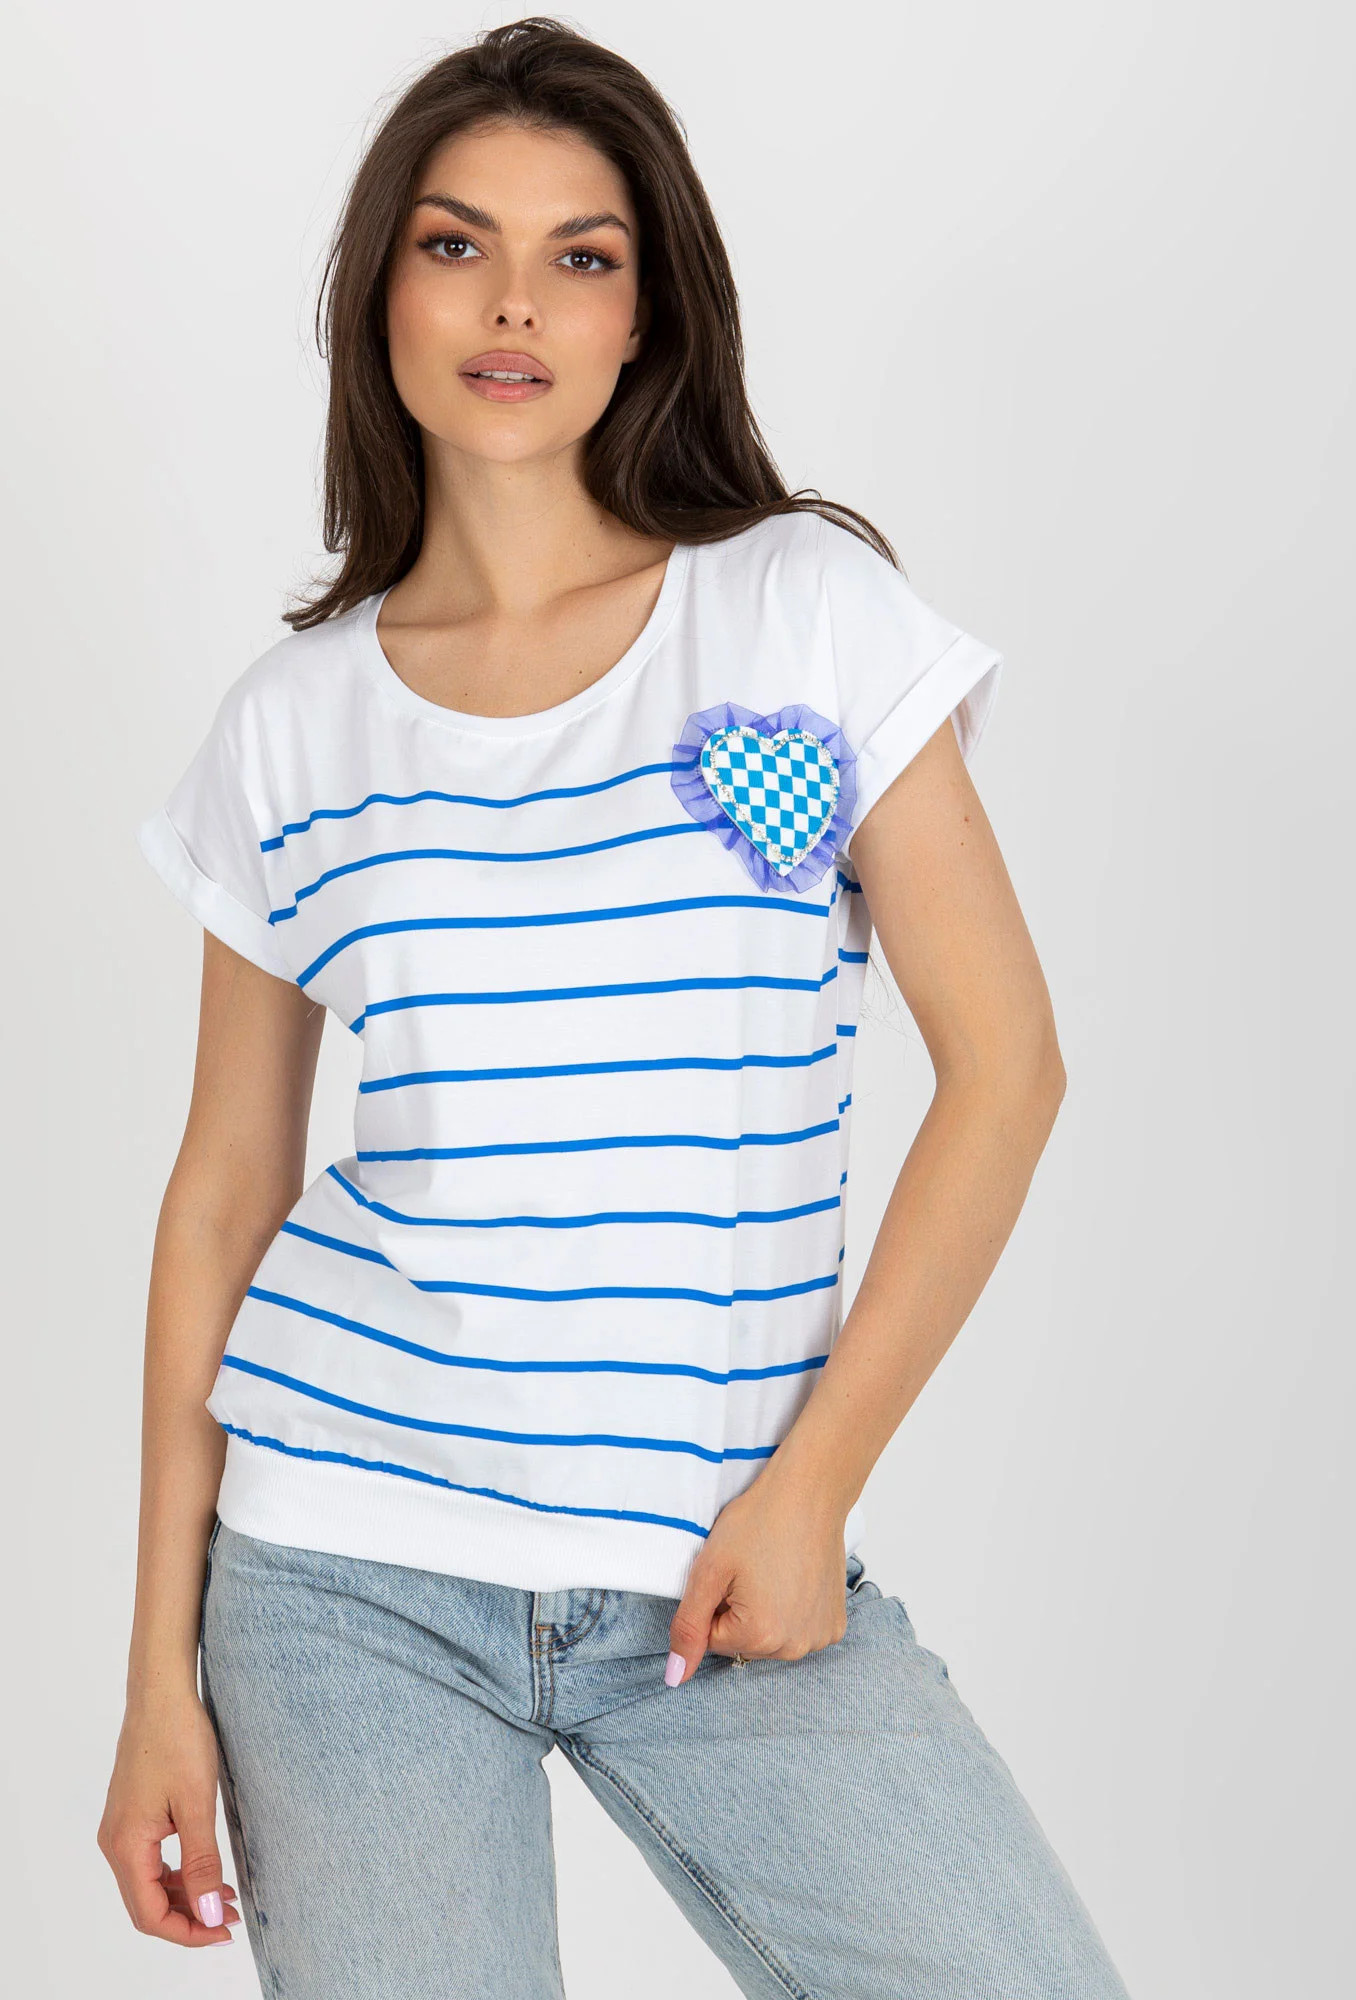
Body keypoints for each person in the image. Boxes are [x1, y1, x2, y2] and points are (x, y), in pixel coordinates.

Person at [98, 18, 1133, 1997]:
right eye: (456, 244)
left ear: (646, 311)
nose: (514, 304)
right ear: (379, 292)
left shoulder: (792, 615)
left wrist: (815, 1484)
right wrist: (157, 1673)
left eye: (580, 256)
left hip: (729, 1563)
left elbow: (1007, 1072)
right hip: (345, 1571)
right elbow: (223, 1192)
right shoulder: (292, 727)